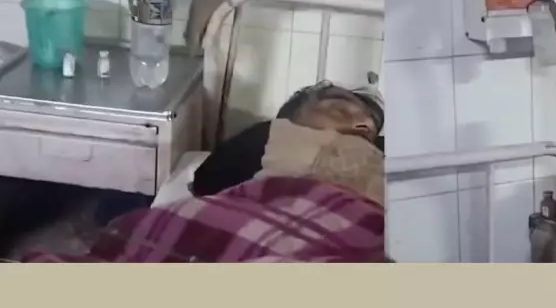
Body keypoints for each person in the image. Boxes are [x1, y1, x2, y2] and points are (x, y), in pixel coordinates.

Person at [19, 79, 388, 263]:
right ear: (286, 122)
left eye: (368, 123)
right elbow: (210, 184)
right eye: (340, 109)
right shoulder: (267, 140)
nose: (361, 123)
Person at [192, 79, 385, 196]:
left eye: (371, 130)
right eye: (340, 110)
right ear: (283, 127)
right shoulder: (258, 149)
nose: (367, 124)